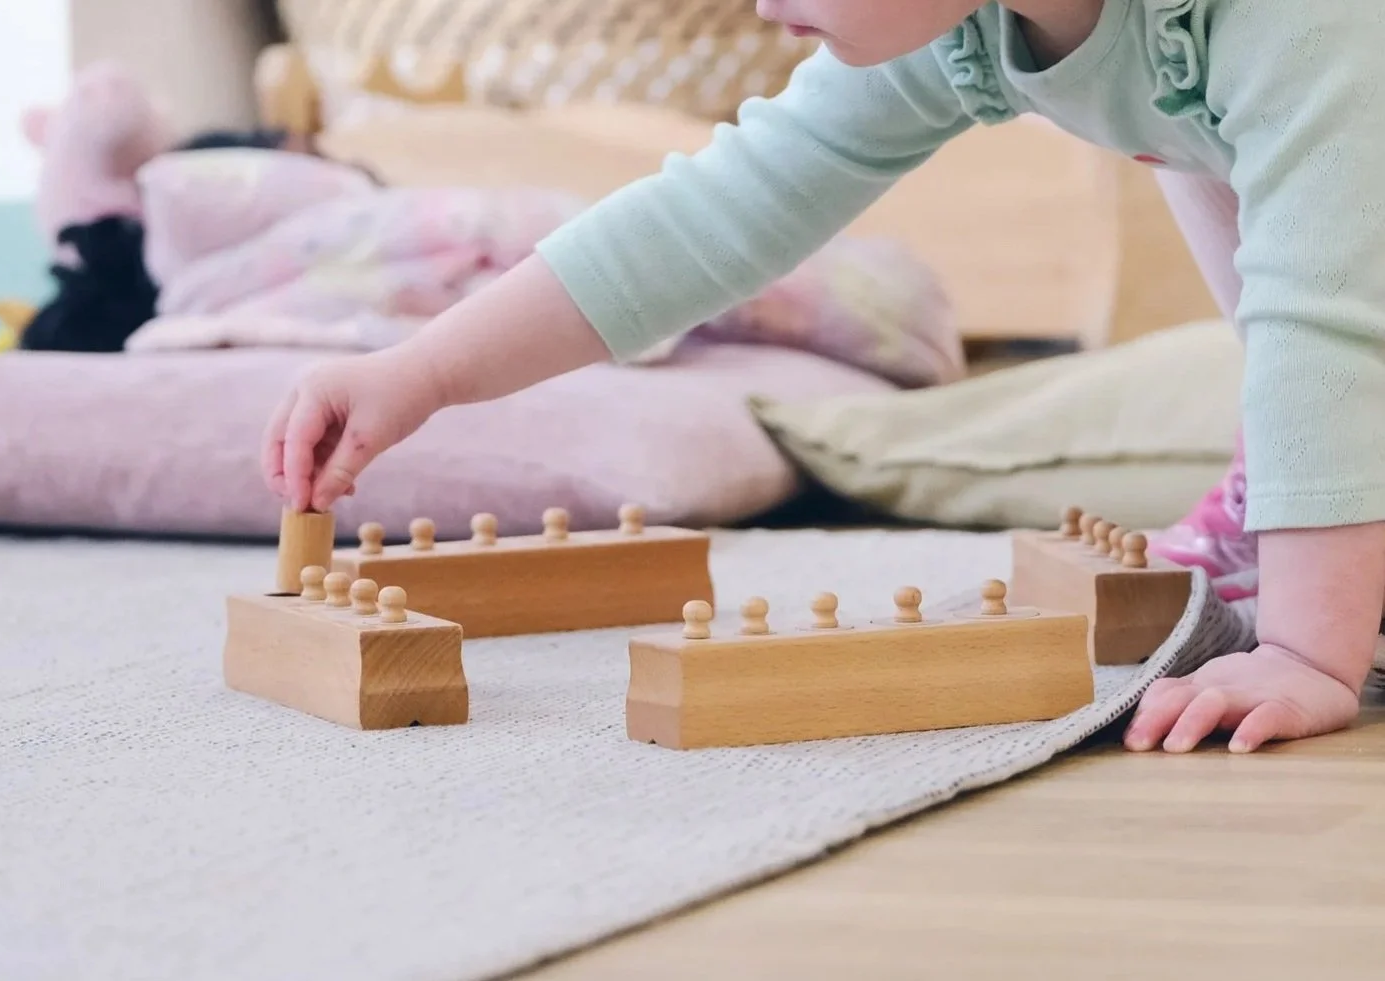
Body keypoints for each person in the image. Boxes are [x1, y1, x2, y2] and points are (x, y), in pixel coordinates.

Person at [262, 0, 1385, 756]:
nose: (755, 6)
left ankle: (1322, 510)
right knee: (1247, 196)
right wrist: (419, 372)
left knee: (1308, 244)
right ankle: (1297, 489)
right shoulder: (965, 28)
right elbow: (714, 215)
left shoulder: (1304, 25)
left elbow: (1326, 322)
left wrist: (1304, 652)